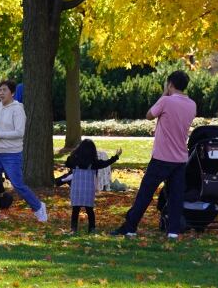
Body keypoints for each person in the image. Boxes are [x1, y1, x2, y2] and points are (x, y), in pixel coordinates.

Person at [111, 71, 196, 239]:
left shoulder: (166, 101)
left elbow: (149, 115)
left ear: (170, 84)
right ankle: (173, 231)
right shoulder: (192, 104)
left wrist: (164, 94)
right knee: (175, 196)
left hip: (161, 158)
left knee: (145, 193)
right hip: (180, 159)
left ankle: (130, 227)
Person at [0, 80, 48, 222]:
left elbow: (19, 132)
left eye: (4, 90)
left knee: (18, 185)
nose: (1, 93)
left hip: (12, 154)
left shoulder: (18, 109)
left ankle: (38, 207)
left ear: (12, 93)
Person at [66, 139, 121, 233]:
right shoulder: (93, 162)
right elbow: (105, 163)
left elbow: (67, 163)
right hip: (88, 189)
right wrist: (116, 157)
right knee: (89, 210)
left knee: (75, 210)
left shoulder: (74, 160)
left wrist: (72, 155)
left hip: (77, 188)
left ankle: (73, 229)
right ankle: (92, 229)